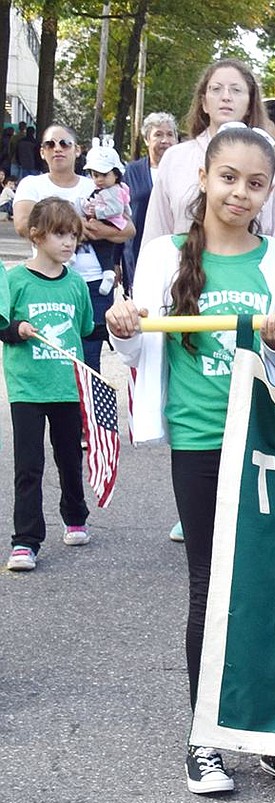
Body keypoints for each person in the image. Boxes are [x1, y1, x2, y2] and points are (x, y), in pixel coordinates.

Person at [105, 125, 275, 795]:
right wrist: (123, 330)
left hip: (264, 436)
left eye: (255, 183)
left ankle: (269, 735)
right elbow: (145, 353)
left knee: (269, 584)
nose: (240, 192)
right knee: (211, 585)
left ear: (268, 192)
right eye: (229, 177)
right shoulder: (167, 253)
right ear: (203, 178)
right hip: (199, 440)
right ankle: (205, 737)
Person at [2, 198, 94, 572]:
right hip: (28, 387)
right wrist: (17, 331)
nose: (69, 242)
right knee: (29, 465)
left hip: (68, 385)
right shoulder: (14, 280)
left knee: (70, 458)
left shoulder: (76, 285)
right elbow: (1, 326)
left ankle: (76, 516)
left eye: (73, 234)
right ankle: (25, 541)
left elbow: (86, 328)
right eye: (60, 234)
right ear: (37, 235)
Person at [12, 123, 135, 376]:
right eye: (50, 144)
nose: (57, 149)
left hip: (93, 282)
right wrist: (77, 224)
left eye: (64, 143)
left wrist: (99, 232)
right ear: (42, 152)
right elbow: (24, 225)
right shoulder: (31, 184)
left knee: (90, 356)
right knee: (51, 354)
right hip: (47, 281)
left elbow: (128, 229)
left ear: (77, 150)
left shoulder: (97, 183)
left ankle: (89, 414)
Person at [142, 58, 275, 248]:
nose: (226, 97)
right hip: (182, 273)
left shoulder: (273, 167)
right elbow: (155, 234)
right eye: (216, 89)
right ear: (204, 103)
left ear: (250, 103)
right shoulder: (175, 158)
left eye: (236, 90)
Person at [122, 112, 178, 294]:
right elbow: (120, 215)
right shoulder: (132, 171)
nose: (165, 140)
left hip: (177, 250)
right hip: (139, 250)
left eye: (170, 134)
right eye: (158, 135)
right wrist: (114, 261)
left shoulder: (185, 171)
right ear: (147, 140)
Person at [82, 145, 132, 296]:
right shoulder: (101, 190)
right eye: (95, 175)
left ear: (116, 174)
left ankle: (108, 272)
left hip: (111, 222)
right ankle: (108, 271)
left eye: (104, 175)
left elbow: (117, 210)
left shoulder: (114, 191)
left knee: (104, 250)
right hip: (103, 222)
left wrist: (97, 213)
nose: (99, 179)